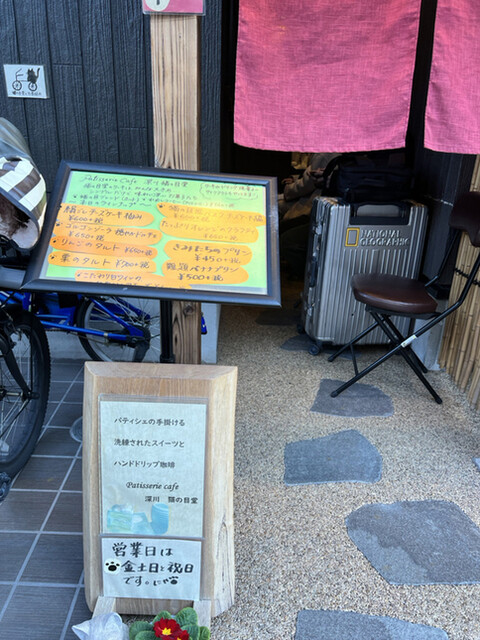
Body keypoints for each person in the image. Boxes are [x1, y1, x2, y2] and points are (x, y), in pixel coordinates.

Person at [279, 152, 339, 278]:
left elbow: (307, 184)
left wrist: (288, 189)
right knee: (281, 225)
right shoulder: (327, 153)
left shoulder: (324, 154)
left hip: (315, 206)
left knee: (283, 231)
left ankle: (304, 276)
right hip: (314, 202)